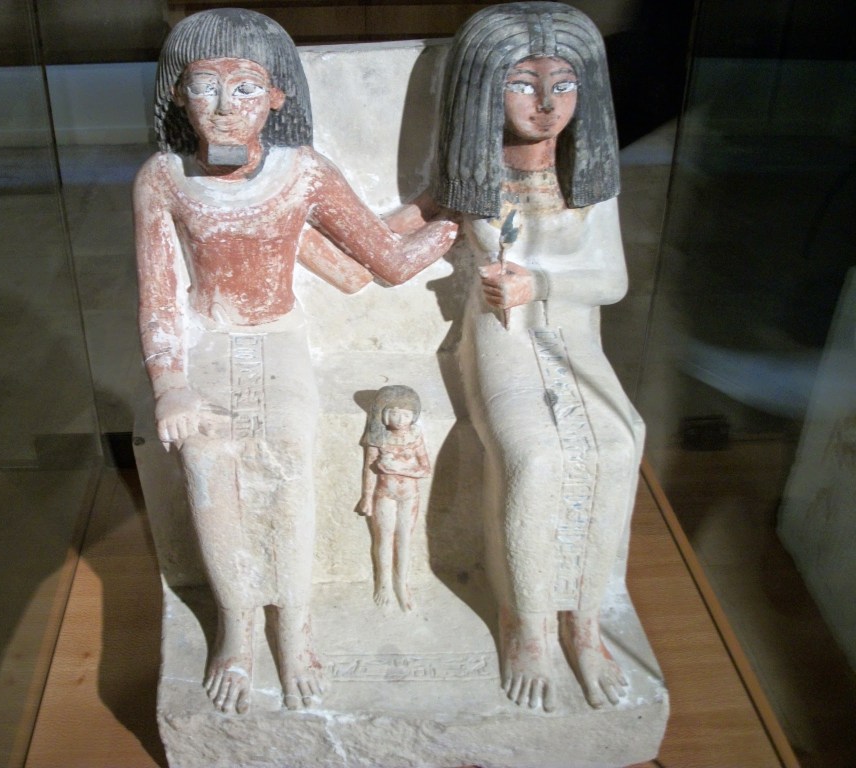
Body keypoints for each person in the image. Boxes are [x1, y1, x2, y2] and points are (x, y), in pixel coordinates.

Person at [134, 8, 456, 715]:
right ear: (178, 96)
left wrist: (453, 213)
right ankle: (239, 626)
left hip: (277, 337)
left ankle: (296, 626)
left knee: (286, 447)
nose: (225, 107)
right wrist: (170, 384)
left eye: (246, 88)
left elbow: (385, 262)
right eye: (205, 87)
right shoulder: (163, 177)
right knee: (205, 459)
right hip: (210, 339)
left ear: (278, 96)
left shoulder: (302, 172)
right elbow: (159, 297)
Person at [394, 2, 645, 711]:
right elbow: (396, 235)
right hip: (501, 337)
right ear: (483, 90)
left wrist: (544, 283)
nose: (545, 105)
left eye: (562, 85)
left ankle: (585, 622)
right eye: (521, 85)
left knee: (619, 445)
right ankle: (527, 622)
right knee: (534, 456)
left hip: (573, 333)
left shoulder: (589, 179)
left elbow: (612, 280)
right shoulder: (473, 181)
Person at [357, 385, 431, 612]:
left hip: (410, 496)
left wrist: (397, 467)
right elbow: (369, 470)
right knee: (384, 539)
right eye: (394, 413)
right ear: (383, 415)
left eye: (406, 414)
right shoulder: (378, 437)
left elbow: (425, 469)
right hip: (384, 495)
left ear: (414, 416)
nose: (400, 420)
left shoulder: (415, 436)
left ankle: (402, 583)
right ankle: (384, 583)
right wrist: (366, 497)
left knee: (404, 540)